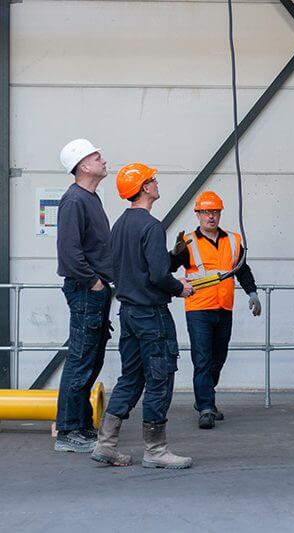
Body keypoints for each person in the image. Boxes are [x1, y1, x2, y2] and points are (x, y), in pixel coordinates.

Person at [91, 163, 195, 468]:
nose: (157, 183)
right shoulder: (151, 226)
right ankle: (155, 450)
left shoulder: (120, 225)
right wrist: (180, 289)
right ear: (145, 188)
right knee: (160, 378)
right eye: (153, 180)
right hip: (152, 315)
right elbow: (158, 276)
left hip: (129, 313)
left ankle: (106, 443)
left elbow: (135, 267)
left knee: (131, 377)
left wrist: (173, 257)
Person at [169, 191, 260, 429]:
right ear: (198, 214)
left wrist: (253, 292)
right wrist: (174, 254)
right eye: (206, 212)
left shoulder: (232, 240)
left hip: (224, 307)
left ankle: (205, 399)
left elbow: (242, 269)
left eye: (215, 212)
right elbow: (167, 268)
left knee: (218, 359)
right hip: (198, 308)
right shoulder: (187, 242)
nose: (211, 217)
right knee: (202, 359)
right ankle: (206, 407)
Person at [55, 139, 113, 453]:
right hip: (86, 290)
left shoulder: (91, 198)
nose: (102, 160)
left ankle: (82, 425)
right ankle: (67, 431)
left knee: (91, 359)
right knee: (80, 359)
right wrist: (94, 283)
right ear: (83, 166)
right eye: (96, 156)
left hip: (95, 290)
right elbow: (69, 253)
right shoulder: (75, 200)